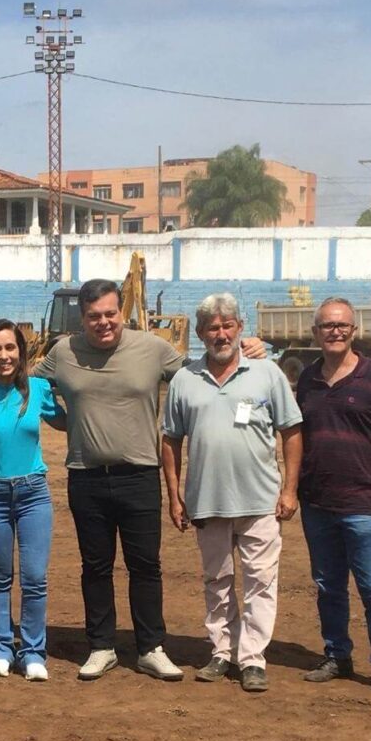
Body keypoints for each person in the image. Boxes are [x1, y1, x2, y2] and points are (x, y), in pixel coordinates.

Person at [33, 278, 266, 682]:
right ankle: (101, 646)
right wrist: (60, 419)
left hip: (140, 474)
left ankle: (150, 648)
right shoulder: (63, 352)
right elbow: (31, 383)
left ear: (121, 311)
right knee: (95, 566)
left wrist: (253, 351)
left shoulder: (153, 349)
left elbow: (201, 376)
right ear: (82, 319)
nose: (103, 323)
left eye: (110, 314)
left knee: (146, 566)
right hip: (85, 477)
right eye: (93, 317)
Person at [161, 293, 302, 693]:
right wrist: (174, 496)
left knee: (260, 581)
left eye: (227, 325)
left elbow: (291, 432)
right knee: (216, 580)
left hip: (260, 501)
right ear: (201, 333)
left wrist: (289, 490)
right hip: (207, 500)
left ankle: (253, 659)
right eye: (212, 327)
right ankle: (222, 652)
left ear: (240, 328)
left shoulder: (267, 373)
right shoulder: (185, 379)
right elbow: (170, 441)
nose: (220, 333)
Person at [297, 297, 371, 697]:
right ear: (316, 332)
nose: (335, 331)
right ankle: (337, 654)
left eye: (342, 325)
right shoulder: (307, 380)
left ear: (353, 331)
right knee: (328, 586)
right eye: (327, 325)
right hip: (317, 502)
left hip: (364, 502)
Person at [0, 319, 66, 681]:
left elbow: (72, 420)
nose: (4, 356)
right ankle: (0, 648)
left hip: (33, 494)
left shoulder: (38, 389)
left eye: (10, 348)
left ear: (21, 352)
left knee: (35, 578)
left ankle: (33, 651)